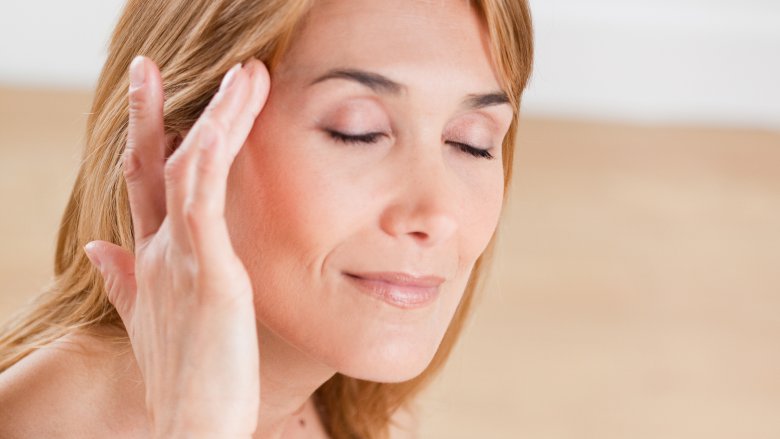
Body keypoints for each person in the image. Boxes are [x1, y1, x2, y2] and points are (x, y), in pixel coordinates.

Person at [0, 0, 533, 437]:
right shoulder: (32, 422)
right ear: (179, 153)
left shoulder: (358, 415)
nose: (435, 215)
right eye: (358, 131)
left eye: (472, 143)